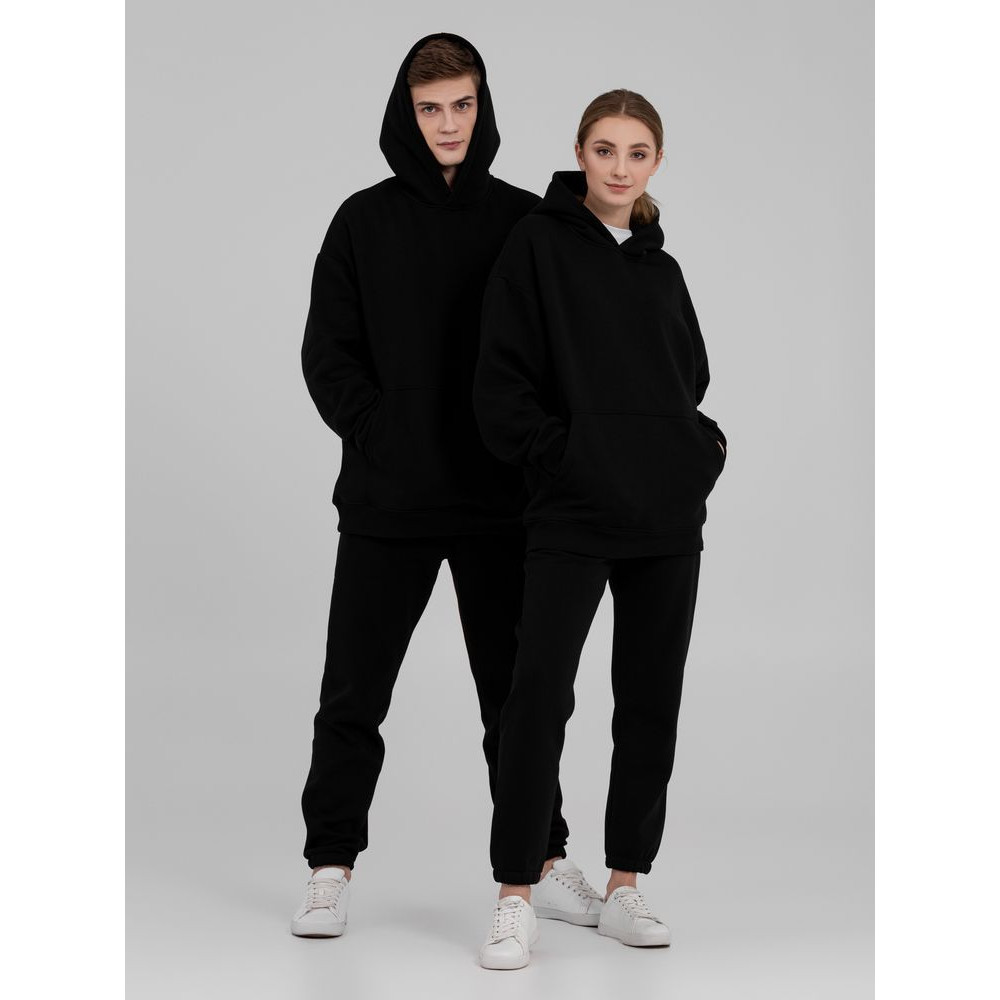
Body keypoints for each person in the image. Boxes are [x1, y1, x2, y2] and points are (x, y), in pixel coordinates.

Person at [292, 33, 601, 939]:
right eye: (431, 108)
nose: (448, 124)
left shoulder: (524, 221)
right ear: (407, 113)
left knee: (519, 700)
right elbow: (327, 356)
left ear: (483, 107)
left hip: (501, 504)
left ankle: (542, 859)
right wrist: (383, 435)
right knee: (354, 694)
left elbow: (565, 347)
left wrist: (537, 450)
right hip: (388, 501)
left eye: (462, 105)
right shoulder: (362, 221)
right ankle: (328, 866)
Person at [473, 89, 727, 969]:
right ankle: (516, 892)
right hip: (573, 514)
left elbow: (688, 382)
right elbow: (500, 388)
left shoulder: (663, 270)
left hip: (665, 520)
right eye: (606, 149)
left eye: (638, 153)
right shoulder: (537, 246)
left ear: (656, 163)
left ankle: (625, 883)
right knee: (537, 698)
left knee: (651, 701)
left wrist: (698, 452)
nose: (620, 168)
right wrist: (569, 457)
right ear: (580, 153)